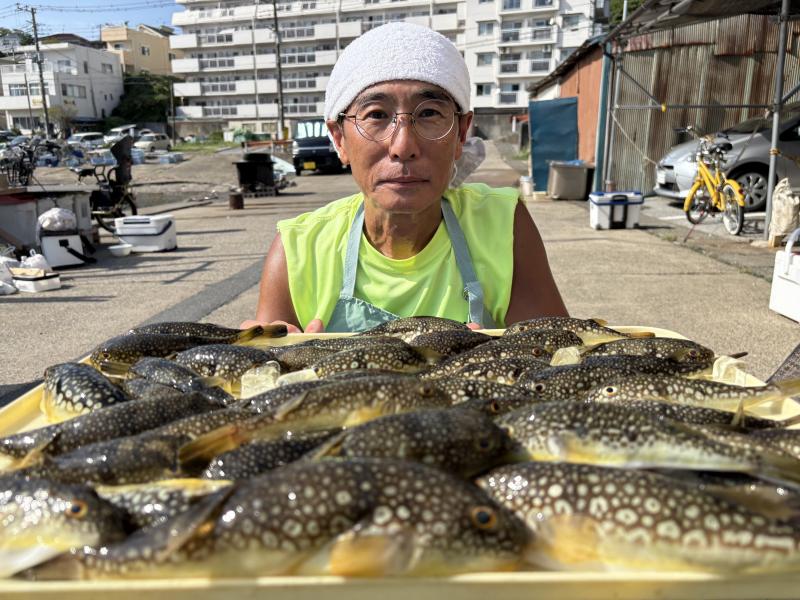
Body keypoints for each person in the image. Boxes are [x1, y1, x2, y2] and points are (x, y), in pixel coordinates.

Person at [242, 22, 567, 333]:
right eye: (376, 116)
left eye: (429, 114)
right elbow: (268, 380)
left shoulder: (502, 226)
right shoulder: (297, 252)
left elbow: (553, 361)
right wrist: (272, 360)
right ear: (339, 138)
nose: (403, 146)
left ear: (461, 134)